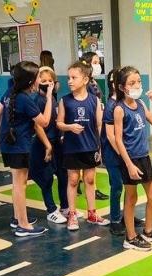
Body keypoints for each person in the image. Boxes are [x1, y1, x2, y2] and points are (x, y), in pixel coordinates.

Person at [0, 61, 54, 237]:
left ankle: (18, 218)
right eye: (38, 77)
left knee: (17, 182)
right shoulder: (25, 99)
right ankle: (24, 225)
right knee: (20, 184)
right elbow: (44, 122)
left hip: (7, 143)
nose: (40, 80)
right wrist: (48, 98)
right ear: (31, 81)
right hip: (19, 145)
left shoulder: (11, 92)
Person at [113, 66, 152, 251]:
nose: (137, 85)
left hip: (144, 157)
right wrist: (128, 164)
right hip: (130, 159)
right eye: (132, 83)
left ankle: (149, 230)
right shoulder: (119, 109)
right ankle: (130, 237)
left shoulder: (142, 104)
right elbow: (118, 139)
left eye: (139, 82)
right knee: (131, 198)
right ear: (122, 87)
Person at [57, 60, 109, 231]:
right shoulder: (65, 101)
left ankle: (92, 213)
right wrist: (69, 127)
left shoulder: (94, 100)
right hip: (72, 148)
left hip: (90, 147)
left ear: (85, 79)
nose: (70, 81)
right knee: (73, 180)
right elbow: (59, 123)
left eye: (74, 77)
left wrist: (100, 146)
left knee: (90, 179)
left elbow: (100, 125)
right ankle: (72, 214)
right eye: (68, 78)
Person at [101, 69, 143, 236]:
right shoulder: (112, 106)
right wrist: (124, 157)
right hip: (114, 155)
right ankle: (115, 219)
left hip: (128, 154)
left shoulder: (131, 103)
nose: (135, 85)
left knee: (129, 187)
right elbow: (111, 137)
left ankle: (128, 216)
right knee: (117, 186)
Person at [30, 66, 68, 224]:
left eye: (50, 81)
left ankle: (65, 207)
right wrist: (47, 146)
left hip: (56, 142)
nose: (47, 83)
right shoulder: (36, 100)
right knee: (46, 178)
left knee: (63, 175)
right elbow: (38, 126)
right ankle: (51, 210)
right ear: (37, 81)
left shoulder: (53, 98)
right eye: (43, 80)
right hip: (43, 143)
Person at [79, 51, 108, 201]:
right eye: (95, 62)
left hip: (94, 120)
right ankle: (92, 187)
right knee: (92, 155)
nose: (98, 66)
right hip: (90, 123)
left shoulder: (93, 82)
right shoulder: (87, 84)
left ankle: (79, 182)